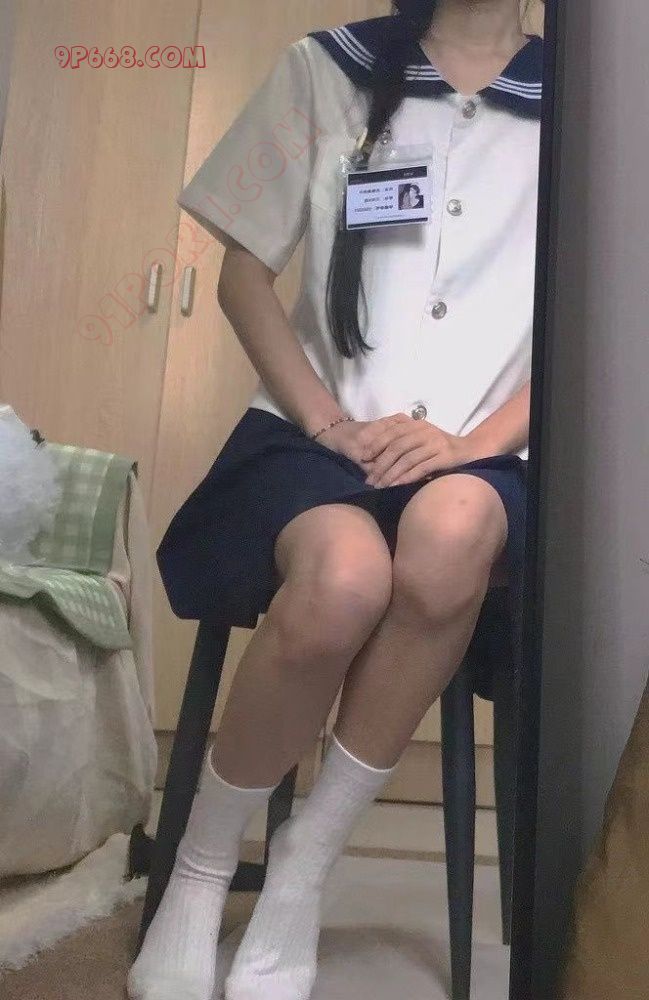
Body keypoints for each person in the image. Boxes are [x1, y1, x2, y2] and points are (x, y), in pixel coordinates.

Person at [128, 1, 543, 998]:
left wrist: (471, 446)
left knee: (451, 531)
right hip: (317, 436)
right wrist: (326, 424)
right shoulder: (329, 67)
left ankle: (303, 869)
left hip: (485, 448)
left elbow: (605, 314)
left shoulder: (584, 111)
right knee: (343, 578)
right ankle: (199, 872)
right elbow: (242, 275)